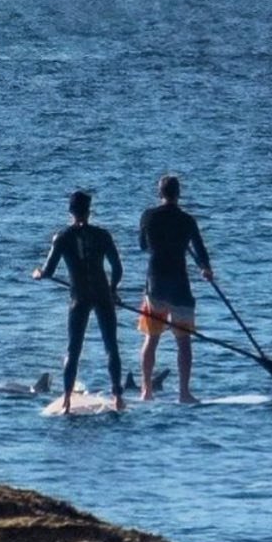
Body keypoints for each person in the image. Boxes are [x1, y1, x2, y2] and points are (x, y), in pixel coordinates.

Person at [33, 190, 125, 413]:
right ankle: (118, 397)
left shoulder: (62, 237)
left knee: (73, 350)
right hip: (102, 294)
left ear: (70, 211)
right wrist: (112, 290)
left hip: (80, 297)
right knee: (111, 346)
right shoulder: (103, 235)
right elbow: (117, 269)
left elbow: (49, 270)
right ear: (89, 210)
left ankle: (66, 400)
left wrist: (38, 274)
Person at [137, 174, 214, 403]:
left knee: (152, 338)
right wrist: (206, 268)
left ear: (160, 194)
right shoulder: (187, 220)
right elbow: (200, 248)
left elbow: (143, 246)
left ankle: (146, 391)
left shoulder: (148, 216)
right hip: (180, 285)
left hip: (156, 285)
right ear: (178, 194)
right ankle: (184, 393)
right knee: (184, 342)